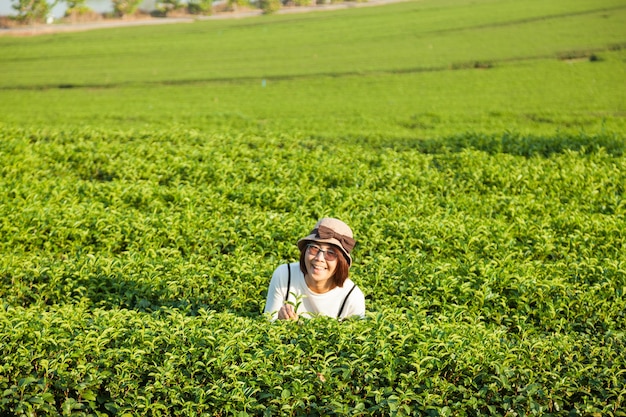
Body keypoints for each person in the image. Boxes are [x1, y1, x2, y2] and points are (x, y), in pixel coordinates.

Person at [264, 217, 365, 321]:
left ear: (341, 262)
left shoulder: (352, 297)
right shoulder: (285, 275)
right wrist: (279, 322)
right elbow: (267, 324)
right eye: (314, 248)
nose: (319, 258)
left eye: (330, 253)